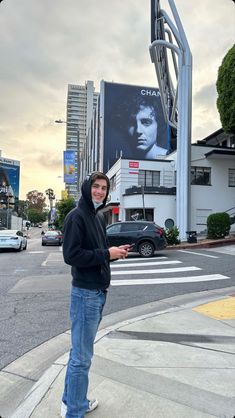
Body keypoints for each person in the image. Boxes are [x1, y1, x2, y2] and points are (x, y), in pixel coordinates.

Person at [61, 171, 131, 418]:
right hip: (85, 295)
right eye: (96, 186)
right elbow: (71, 256)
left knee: (77, 353)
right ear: (86, 187)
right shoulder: (76, 217)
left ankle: (72, 400)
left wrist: (114, 252)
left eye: (103, 187)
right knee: (82, 358)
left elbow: (100, 251)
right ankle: (75, 411)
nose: (100, 191)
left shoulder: (98, 217)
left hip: (98, 293)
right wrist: (106, 255)